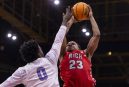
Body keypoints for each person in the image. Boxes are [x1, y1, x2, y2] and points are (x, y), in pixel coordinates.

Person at [0, 7, 73, 87]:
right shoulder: (50, 59)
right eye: (40, 48)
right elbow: (58, 40)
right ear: (38, 52)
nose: (41, 49)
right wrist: (64, 20)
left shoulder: (23, 71)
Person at [59, 5, 100, 87]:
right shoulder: (63, 55)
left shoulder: (86, 53)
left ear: (79, 48)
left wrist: (91, 17)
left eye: (73, 43)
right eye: (68, 44)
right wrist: (71, 21)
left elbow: (97, 35)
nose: (69, 44)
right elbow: (61, 35)